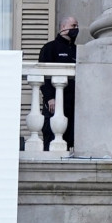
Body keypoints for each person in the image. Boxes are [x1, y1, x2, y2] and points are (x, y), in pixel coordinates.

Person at [38, 15, 78, 149]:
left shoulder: (77, 50)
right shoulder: (49, 48)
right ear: (63, 27)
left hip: (72, 106)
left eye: (77, 26)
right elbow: (44, 76)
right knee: (51, 141)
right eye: (73, 26)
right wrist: (49, 98)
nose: (76, 29)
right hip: (54, 105)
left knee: (70, 143)